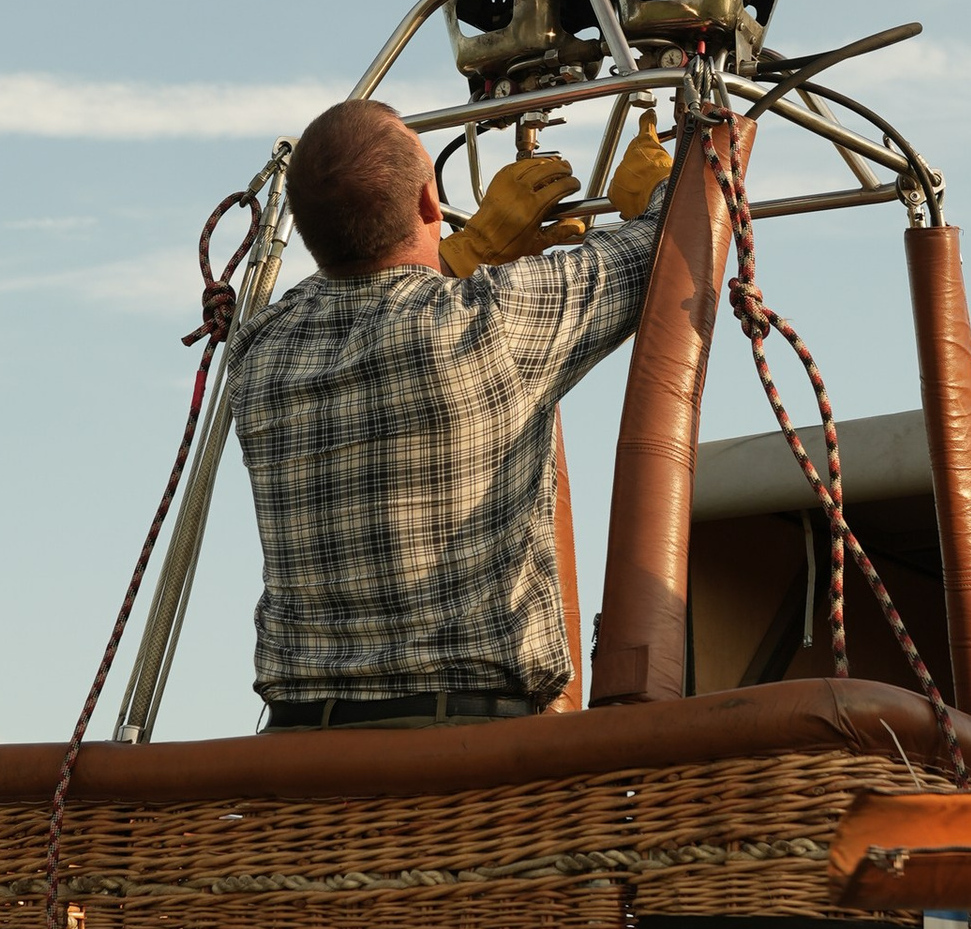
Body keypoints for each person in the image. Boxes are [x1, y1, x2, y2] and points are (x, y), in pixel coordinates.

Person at [229, 94, 675, 726]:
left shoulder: (258, 351)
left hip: (299, 761)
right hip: (463, 751)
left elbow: (376, 315)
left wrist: (471, 250)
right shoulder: (488, 323)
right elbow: (666, 244)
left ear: (305, 230)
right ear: (427, 203)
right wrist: (660, 186)